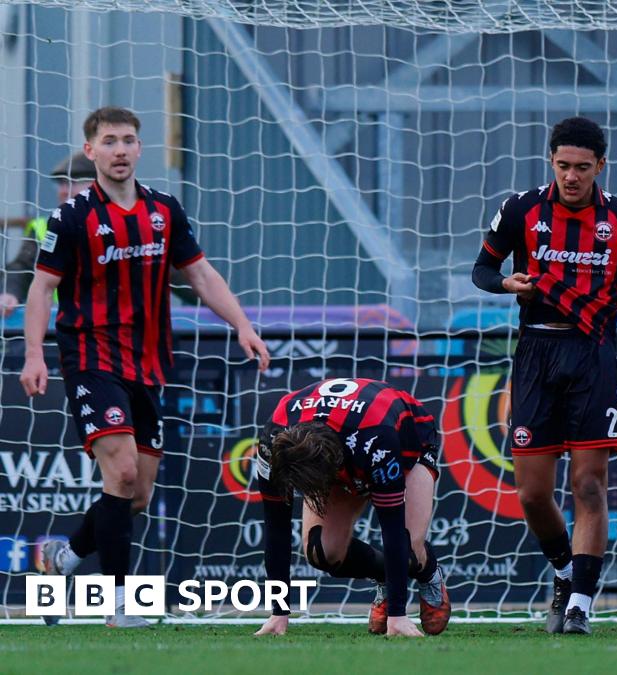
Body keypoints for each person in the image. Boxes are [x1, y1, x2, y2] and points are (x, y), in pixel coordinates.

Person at [25, 106, 271, 628]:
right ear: (90, 151)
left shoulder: (163, 210)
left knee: (136, 496)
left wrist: (243, 326)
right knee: (124, 471)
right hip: (90, 358)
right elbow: (42, 286)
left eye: (128, 140)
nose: (120, 150)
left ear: (140, 149)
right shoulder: (73, 217)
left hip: (149, 363)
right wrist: (32, 354)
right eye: (109, 141)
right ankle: (118, 607)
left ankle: (62, 558)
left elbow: (201, 275)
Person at [471, 116, 617, 635]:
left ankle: (580, 605)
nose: (571, 177)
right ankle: (564, 571)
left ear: (601, 166)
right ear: (550, 161)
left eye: (582, 167)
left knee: (588, 485)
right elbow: (481, 271)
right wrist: (507, 283)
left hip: (594, 353)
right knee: (531, 492)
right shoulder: (521, 209)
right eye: (562, 166)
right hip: (536, 351)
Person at [252, 378, 451, 638]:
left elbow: (391, 526)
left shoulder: (376, 438)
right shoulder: (274, 440)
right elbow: (276, 528)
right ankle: (385, 578)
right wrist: (278, 613)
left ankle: (428, 573)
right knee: (321, 551)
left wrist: (397, 617)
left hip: (406, 445)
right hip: (339, 447)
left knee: (408, 552)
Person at [2, 152, 198, 317]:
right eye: (61, 183)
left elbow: (171, 273)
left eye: (72, 182)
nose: (63, 191)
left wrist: (212, 301)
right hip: (63, 330)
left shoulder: (136, 224)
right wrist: (9, 294)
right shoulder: (46, 228)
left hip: (126, 329)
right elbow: (21, 269)